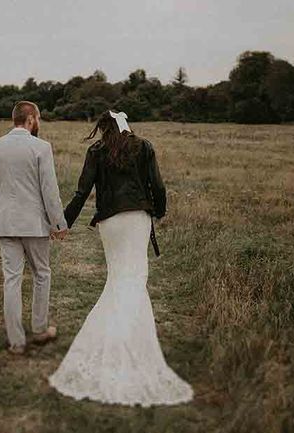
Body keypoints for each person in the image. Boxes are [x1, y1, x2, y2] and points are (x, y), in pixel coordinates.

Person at [48, 110, 193, 407]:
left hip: (110, 222)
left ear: (105, 128)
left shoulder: (97, 151)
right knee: (135, 278)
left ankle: (117, 340)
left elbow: (82, 191)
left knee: (117, 278)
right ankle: (127, 342)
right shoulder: (144, 147)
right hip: (138, 218)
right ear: (126, 125)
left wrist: (64, 223)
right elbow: (158, 186)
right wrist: (159, 211)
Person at [0, 101, 68, 355]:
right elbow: (49, 190)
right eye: (38, 117)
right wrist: (58, 223)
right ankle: (40, 329)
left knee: (11, 280)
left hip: (6, 223)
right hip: (35, 225)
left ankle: (16, 342)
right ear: (30, 119)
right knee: (42, 274)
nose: (38, 122)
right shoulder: (41, 148)